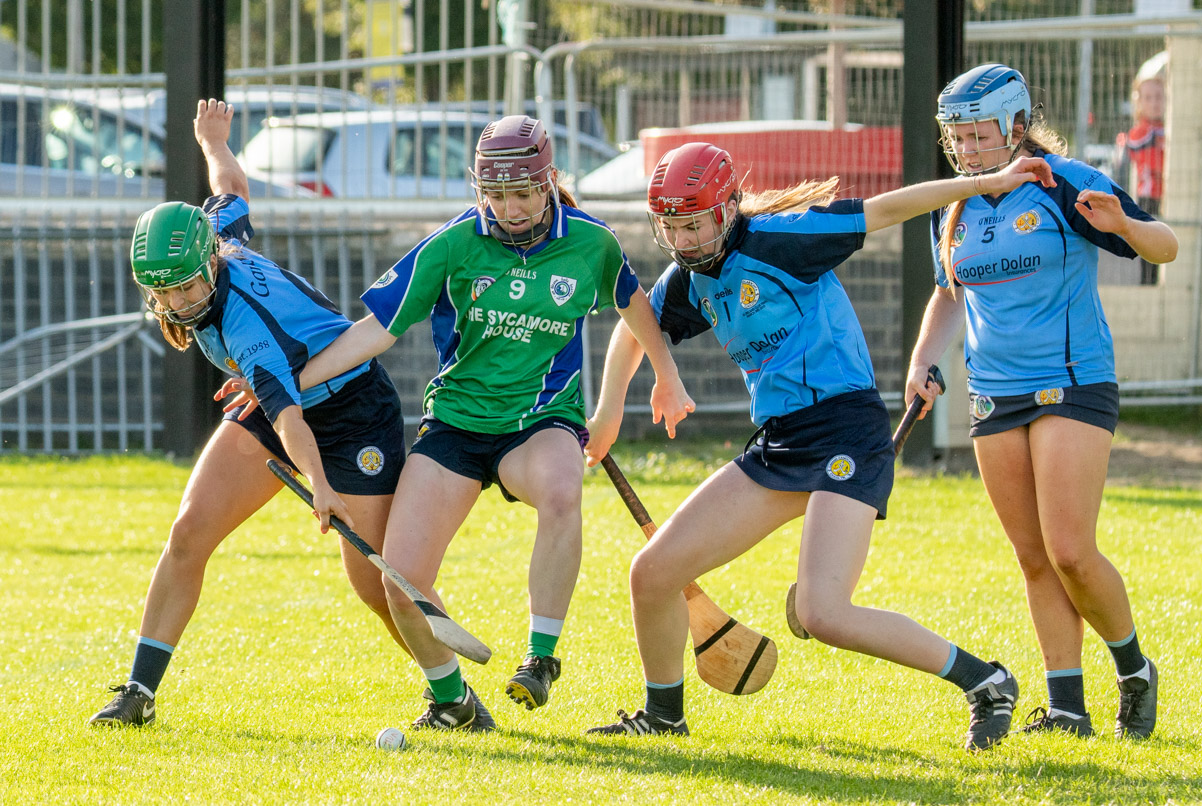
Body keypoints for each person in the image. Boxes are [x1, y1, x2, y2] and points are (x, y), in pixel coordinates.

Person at [583, 140, 1056, 751]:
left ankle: (985, 681)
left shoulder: (785, 239)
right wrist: (613, 408)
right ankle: (663, 717)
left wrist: (979, 186)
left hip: (845, 431)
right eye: (672, 227)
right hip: (781, 441)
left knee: (822, 612)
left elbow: (887, 209)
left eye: (696, 222)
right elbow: (634, 325)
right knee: (653, 573)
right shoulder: (691, 277)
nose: (686, 239)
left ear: (728, 209)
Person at [239, 114, 694, 731]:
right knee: (399, 580)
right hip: (454, 425)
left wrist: (664, 374)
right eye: (495, 193)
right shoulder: (452, 244)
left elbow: (631, 303)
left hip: (539, 423)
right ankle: (453, 701)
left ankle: (541, 658)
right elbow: (373, 331)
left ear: (548, 180)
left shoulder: (591, 242)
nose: (509, 208)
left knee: (563, 491)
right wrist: (289, 382)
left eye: (523, 192)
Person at [86, 100, 491, 728]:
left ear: (209, 265)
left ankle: (454, 700)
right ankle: (138, 693)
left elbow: (291, 421)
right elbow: (233, 188)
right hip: (271, 398)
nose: (178, 302)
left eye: (187, 288)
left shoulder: (245, 324)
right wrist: (212, 142)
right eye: (162, 291)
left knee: (373, 582)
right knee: (190, 532)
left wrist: (323, 487)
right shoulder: (213, 237)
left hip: (352, 411)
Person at [908, 63, 1177, 740]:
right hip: (993, 393)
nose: (966, 152)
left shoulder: (1068, 184)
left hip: (1071, 380)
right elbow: (949, 291)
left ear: (1018, 126)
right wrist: (922, 360)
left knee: (1069, 551)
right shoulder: (955, 204)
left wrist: (1123, 224)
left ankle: (1133, 669)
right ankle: (1065, 709)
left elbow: (1164, 246)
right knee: (1032, 559)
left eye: (978, 136)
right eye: (957, 139)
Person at [1118, 64, 1166, 283]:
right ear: (1139, 102)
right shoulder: (1139, 133)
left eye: (1159, 97)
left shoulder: (1165, 130)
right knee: (1150, 246)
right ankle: (1148, 284)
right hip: (1149, 197)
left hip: (1167, 196)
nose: (1155, 103)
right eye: (1148, 98)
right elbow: (1153, 164)